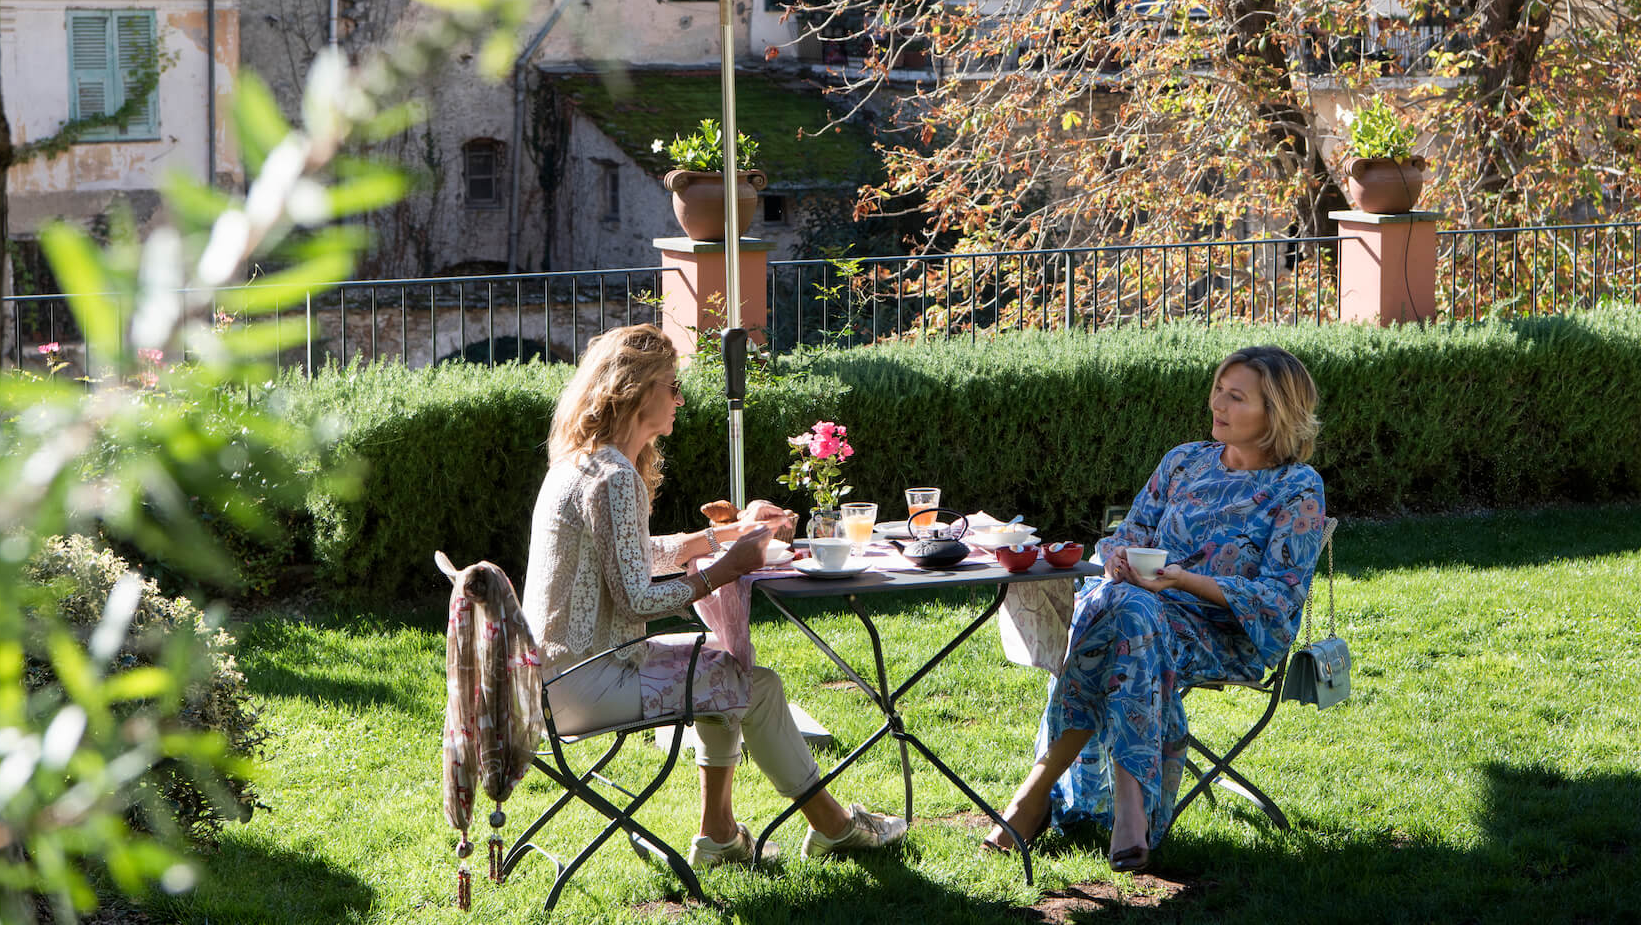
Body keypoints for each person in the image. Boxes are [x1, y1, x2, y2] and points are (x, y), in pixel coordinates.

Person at [521, 324, 906, 866]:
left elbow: (631, 554)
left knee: (721, 666)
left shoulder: (582, 463)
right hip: (589, 682)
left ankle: (720, 838)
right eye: (672, 386)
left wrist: (720, 536)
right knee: (756, 685)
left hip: (556, 677)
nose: (680, 399)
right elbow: (636, 598)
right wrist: (726, 568)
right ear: (636, 390)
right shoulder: (613, 476)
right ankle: (835, 827)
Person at [985, 345, 1328, 872]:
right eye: (1218, 389)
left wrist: (1186, 581)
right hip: (1142, 618)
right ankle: (1130, 810)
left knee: (1118, 614)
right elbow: (1128, 535)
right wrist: (1118, 556)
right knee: (1126, 610)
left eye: (1236, 397)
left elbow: (1279, 597)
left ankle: (1033, 798)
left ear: (1275, 413)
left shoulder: (1296, 487)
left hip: (1225, 632)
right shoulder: (1183, 461)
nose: (1218, 403)